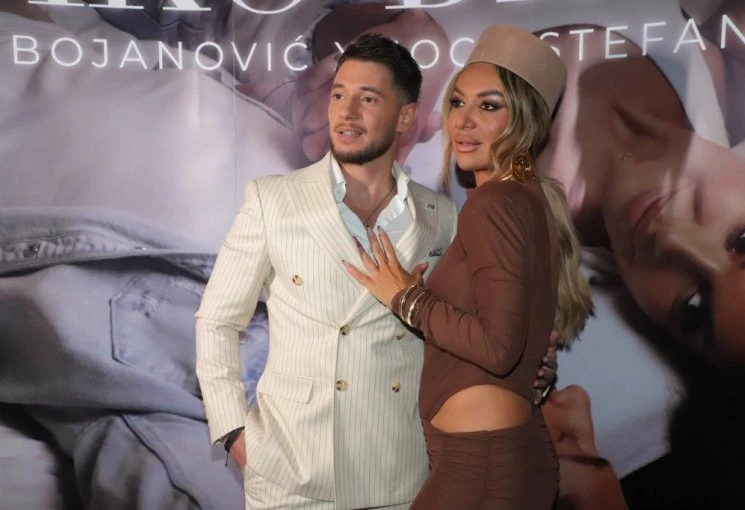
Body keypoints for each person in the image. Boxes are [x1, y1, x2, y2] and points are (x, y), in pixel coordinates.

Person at [195, 33, 558, 509]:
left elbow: (480, 330)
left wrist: (531, 366)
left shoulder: (442, 217)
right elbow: (217, 320)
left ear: (407, 117)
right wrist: (234, 433)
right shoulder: (272, 200)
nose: (346, 113)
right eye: (338, 95)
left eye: (367, 99)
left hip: (400, 474)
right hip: (291, 474)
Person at [344, 25, 592, 509]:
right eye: (457, 102)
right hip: (490, 461)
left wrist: (406, 298)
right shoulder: (524, 198)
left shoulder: (495, 203)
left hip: (482, 467)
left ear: (526, 122)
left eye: (489, 106)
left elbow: (497, 348)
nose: (464, 121)